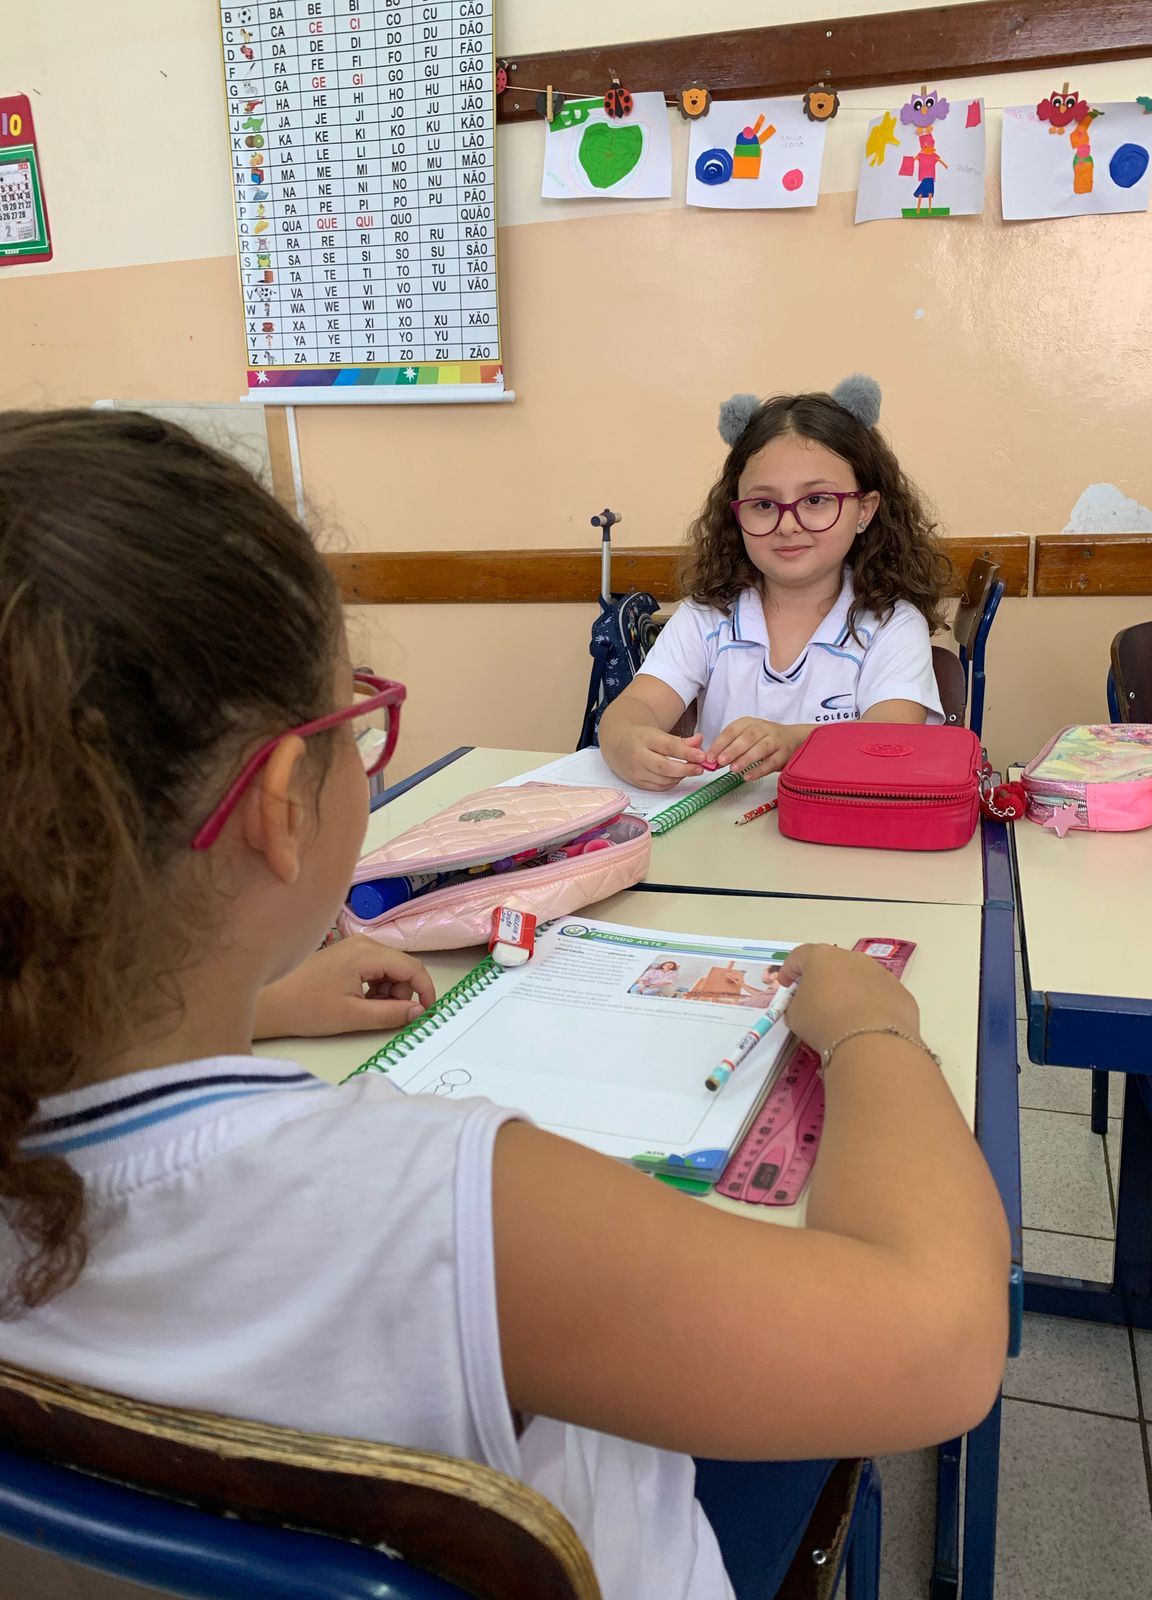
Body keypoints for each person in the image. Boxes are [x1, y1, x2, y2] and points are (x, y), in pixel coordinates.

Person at [0, 411, 1008, 1600]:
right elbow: (944, 1342)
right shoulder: (463, 1201)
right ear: (282, 802)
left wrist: (265, 1004)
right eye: (355, 720)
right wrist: (869, 1020)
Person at [599, 377, 951, 792]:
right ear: (736, 514)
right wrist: (625, 743)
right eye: (764, 505)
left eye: (817, 500)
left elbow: (891, 741)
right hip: (723, 838)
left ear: (865, 510)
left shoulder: (891, 623)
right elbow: (635, 707)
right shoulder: (708, 616)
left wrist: (794, 743)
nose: (787, 524)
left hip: (838, 838)